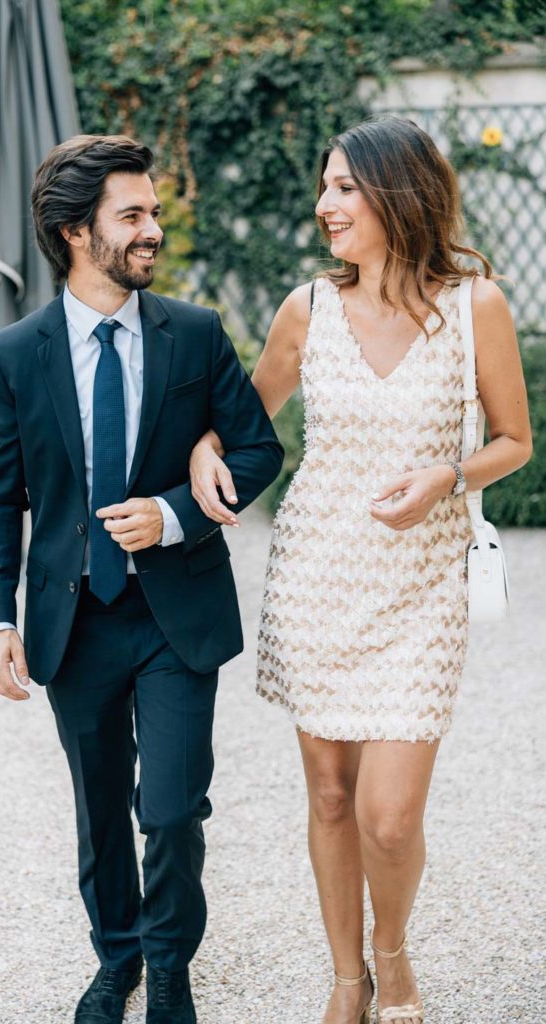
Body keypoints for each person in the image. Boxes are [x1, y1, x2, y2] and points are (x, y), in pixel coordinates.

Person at [188, 115, 532, 1024]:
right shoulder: (305, 308)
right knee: (332, 797)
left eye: (343, 187)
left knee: (388, 815)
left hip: (420, 587)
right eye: (324, 187)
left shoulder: (473, 305)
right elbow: (244, 420)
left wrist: (447, 478)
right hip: (316, 579)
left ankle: (393, 952)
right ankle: (347, 979)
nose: (323, 205)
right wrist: (201, 454)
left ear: (398, 193)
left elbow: (514, 442)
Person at [0, 134, 283, 1024]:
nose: (153, 229)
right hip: (73, 622)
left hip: (177, 611)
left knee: (174, 806)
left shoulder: (194, 333)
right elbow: (1, 496)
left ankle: (169, 964)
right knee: (103, 806)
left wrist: (175, 513)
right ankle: (117, 960)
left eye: (152, 212)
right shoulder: (18, 354)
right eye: (133, 215)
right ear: (76, 232)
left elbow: (258, 447)